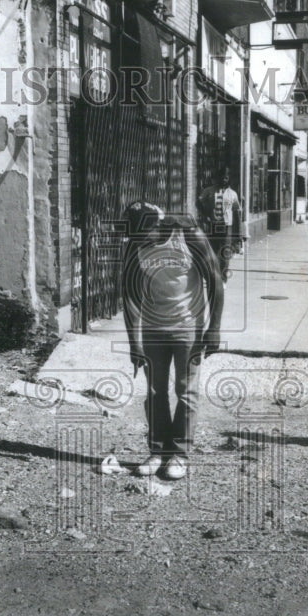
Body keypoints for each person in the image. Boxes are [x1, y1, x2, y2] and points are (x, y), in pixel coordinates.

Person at [122, 201, 224, 481]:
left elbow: (215, 279)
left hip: (188, 327)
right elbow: (129, 293)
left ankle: (179, 453)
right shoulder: (135, 243)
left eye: (145, 235)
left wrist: (214, 328)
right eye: (136, 238)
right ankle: (158, 452)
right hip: (153, 327)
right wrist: (134, 342)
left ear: (158, 224)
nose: (141, 242)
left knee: (185, 390)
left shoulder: (189, 236)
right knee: (154, 392)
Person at [198, 169, 243, 283]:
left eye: (226, 178)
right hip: (212, 225)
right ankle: (213, 277)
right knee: (212, 251)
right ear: (217, 179)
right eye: (221, 177)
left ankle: (223, 279)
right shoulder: (208, 191)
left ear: (229, 180)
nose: (224, 180)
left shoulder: (232, 194)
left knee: (225, 252)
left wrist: (238, 235)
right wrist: (205, 215)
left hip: (226, 226)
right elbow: (198, 203)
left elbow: (237, 212)